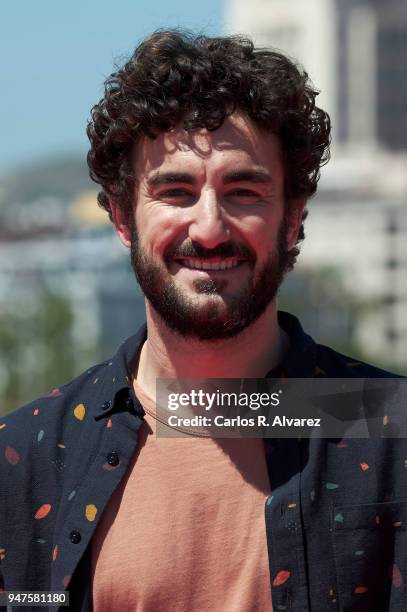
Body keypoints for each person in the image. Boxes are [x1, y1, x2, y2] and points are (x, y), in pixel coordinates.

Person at [0, 29, 406, 612]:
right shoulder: (26, 460)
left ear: (292, 219)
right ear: (122, 218)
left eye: (243, 191)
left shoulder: (390, 432)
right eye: (175, 191)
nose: (210, 228)